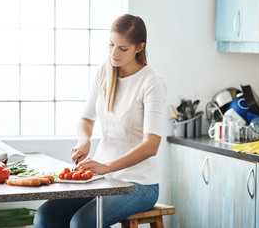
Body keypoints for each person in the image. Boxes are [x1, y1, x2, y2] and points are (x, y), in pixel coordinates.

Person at [33, 14, 167, 228]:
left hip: (140, 184)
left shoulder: (151, 83)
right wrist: (83, 140)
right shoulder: (105, 72)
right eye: (111, 44)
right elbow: (86, 119)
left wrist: (106, 166)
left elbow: (151, 146)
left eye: (122, 48)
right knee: (45, 216)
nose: (114, 53)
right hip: (103, 180)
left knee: (83, 223)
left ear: (139, 48)